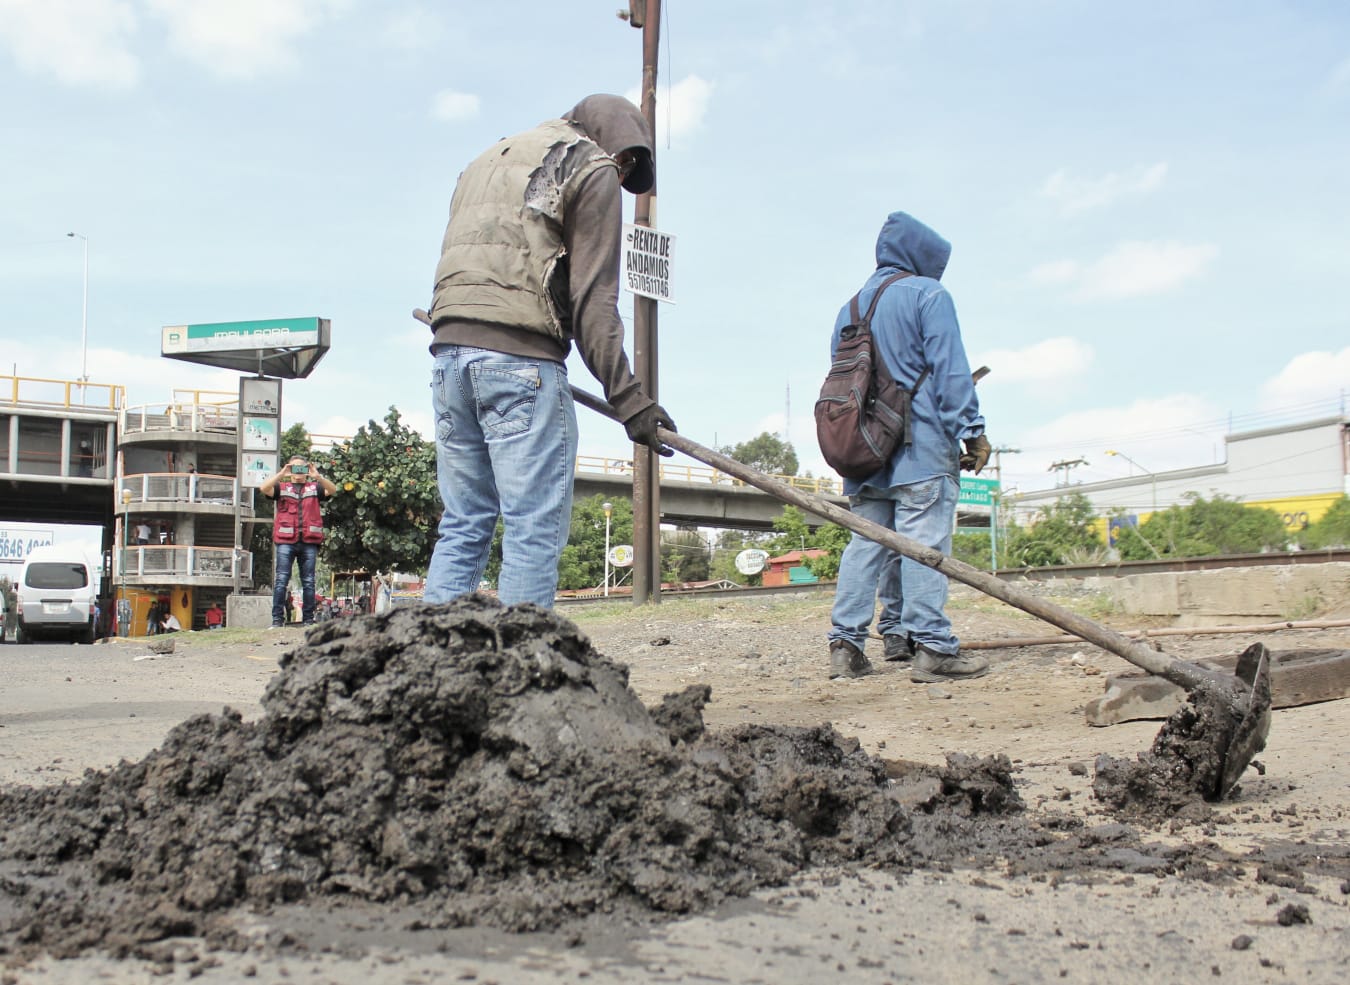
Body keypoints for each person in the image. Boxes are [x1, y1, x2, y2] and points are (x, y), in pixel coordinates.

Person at [421, 93, 676, 609]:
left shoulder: (486, 160)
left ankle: (426, 667)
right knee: (532, 526)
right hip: (522, 363)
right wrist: (630, 401)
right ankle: (521, 673)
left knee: (465, 523)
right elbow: (594, 305)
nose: (621, 174)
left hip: (450, 358)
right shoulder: (592, 165)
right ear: (616, 145)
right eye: (626, 163)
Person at [825, 211, 993, 684]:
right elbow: (951, 372)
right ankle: (934, 649)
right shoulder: (929, 295)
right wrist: (973, 431)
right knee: (924, 547)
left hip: (866, 454)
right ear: (922, 255)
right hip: (920, 450)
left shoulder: (850, 308)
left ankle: (846, 648)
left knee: (865, 546)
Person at [259, 456, 338, 628]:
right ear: (289, 469)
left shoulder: (314, 487)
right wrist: (281, 474)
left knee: (309, 581)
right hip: (285, 541)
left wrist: (318, 477)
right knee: (281, 580)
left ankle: (309, 620)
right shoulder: (282, 487)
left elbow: (333, 490)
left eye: (302, 468)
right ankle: (277, 620)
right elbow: (264, 488)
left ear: (307, 470)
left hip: (309, 541)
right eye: (294, 468)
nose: (299, 472)